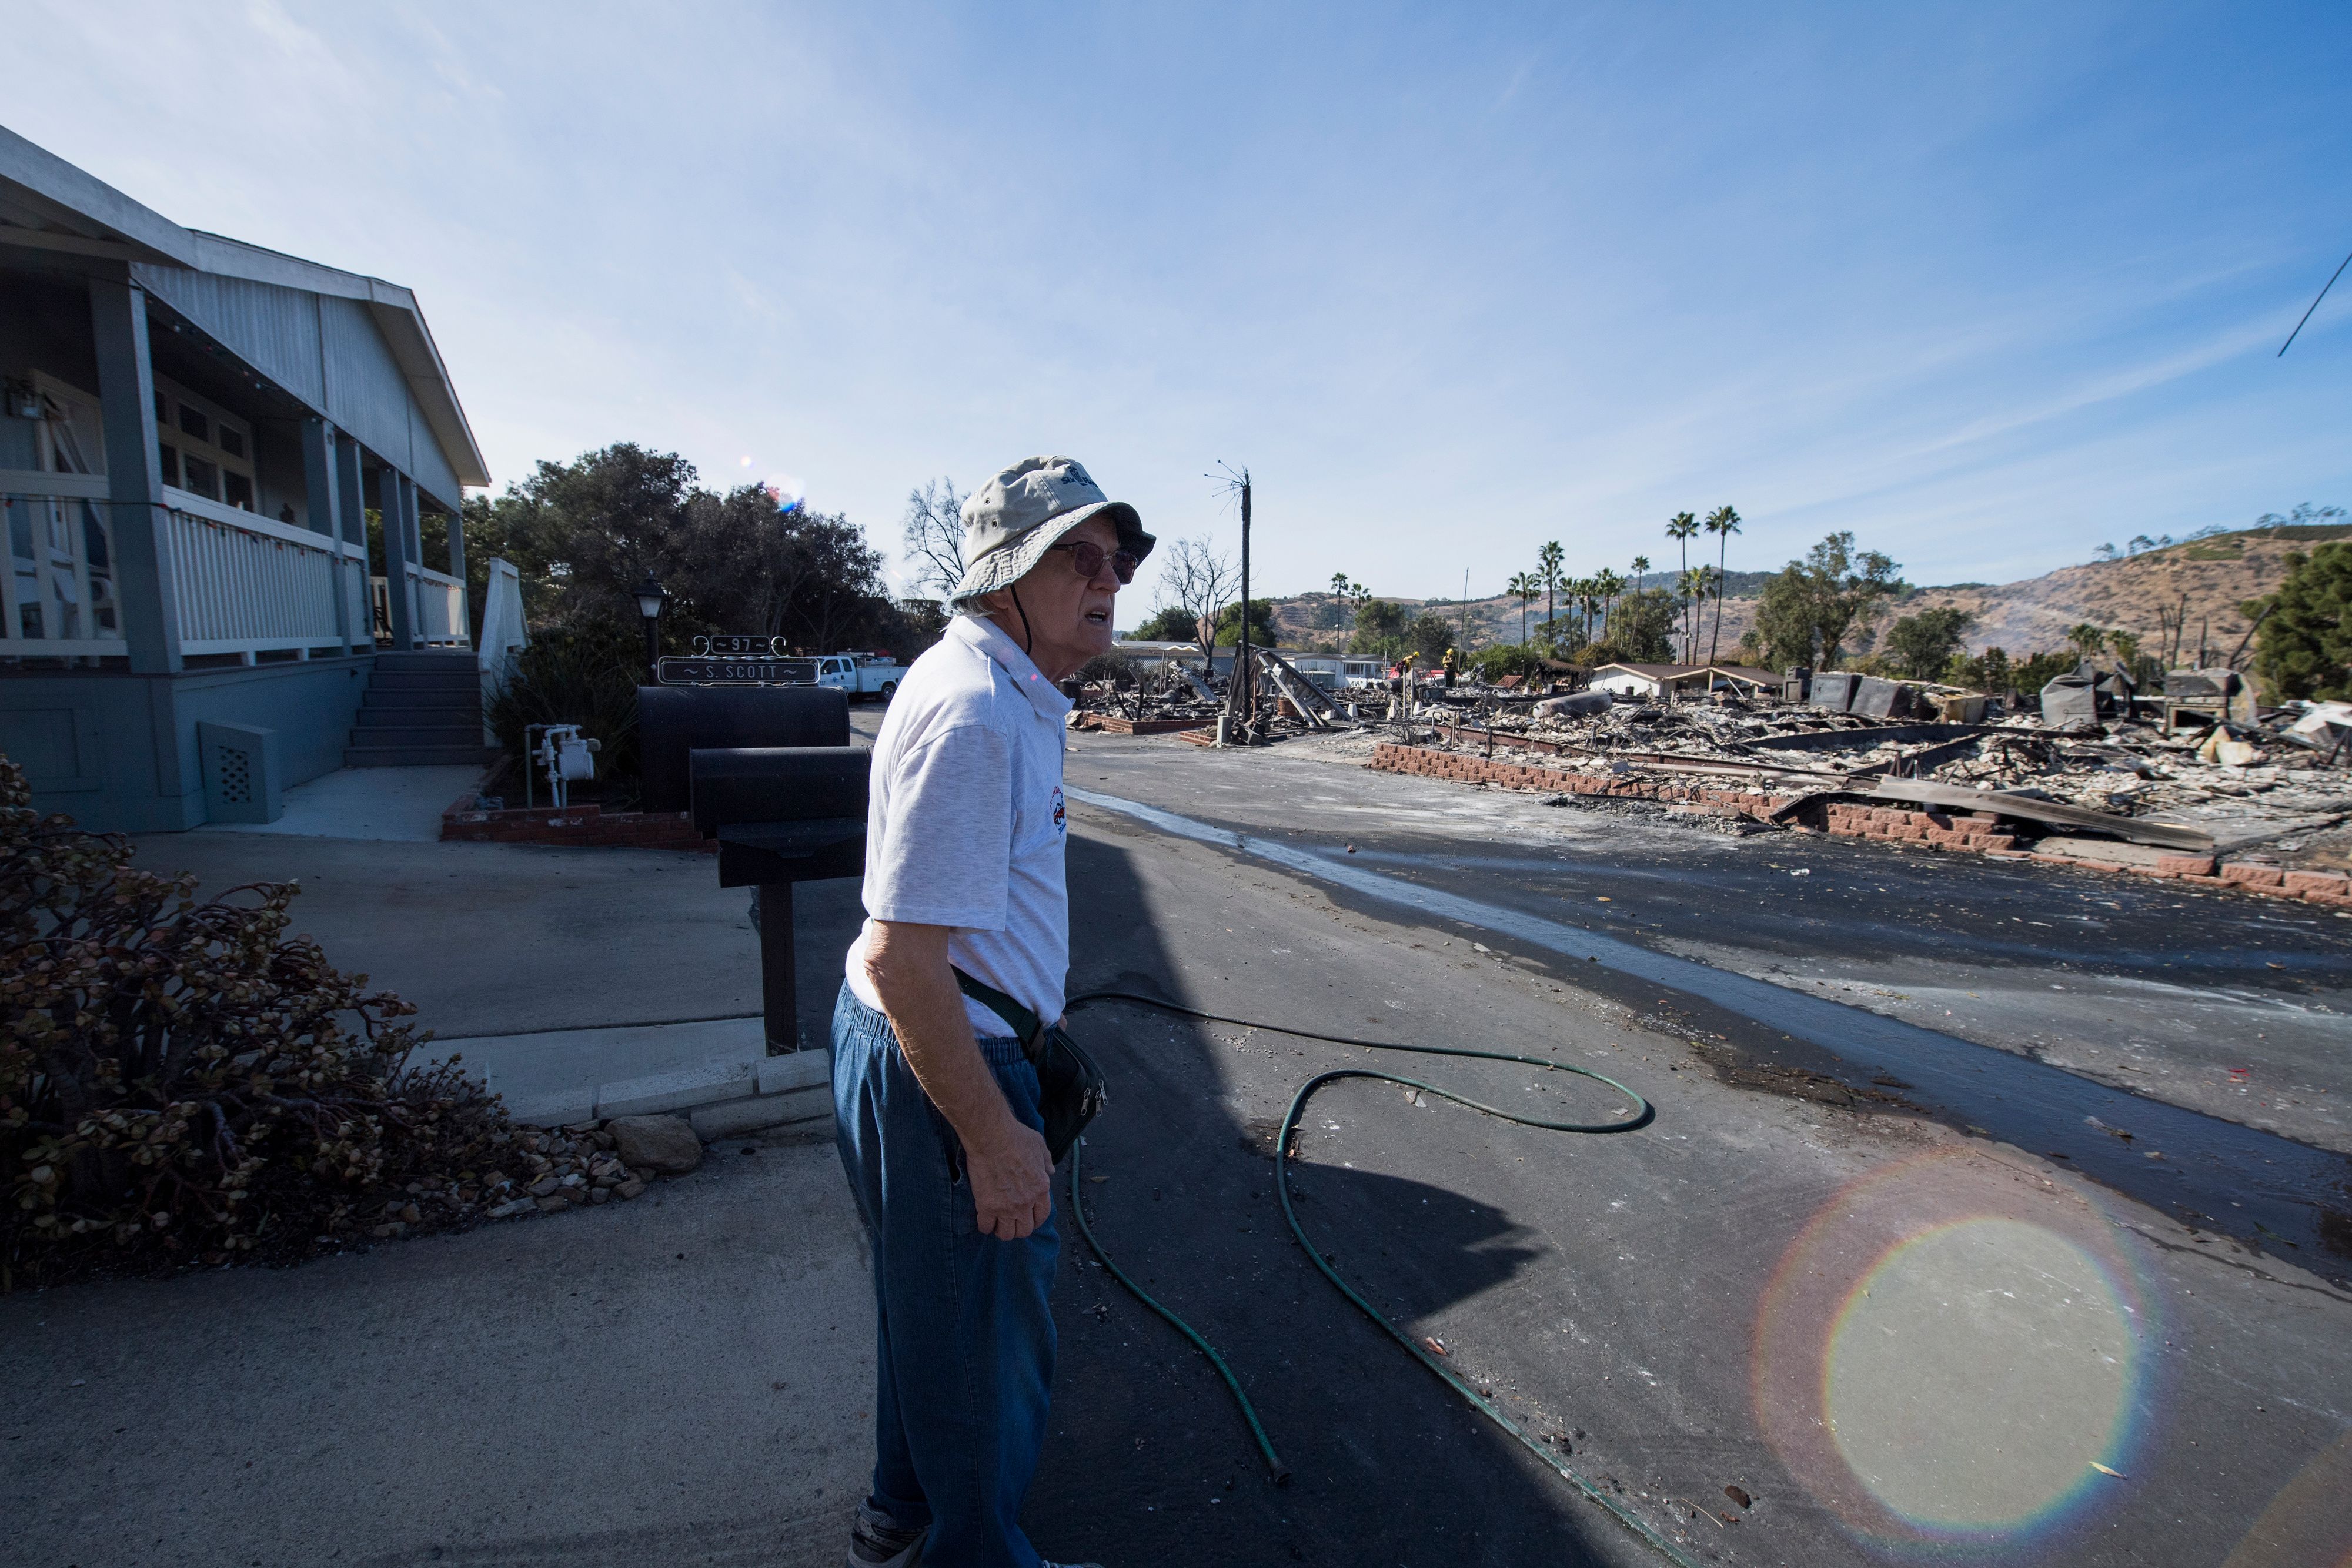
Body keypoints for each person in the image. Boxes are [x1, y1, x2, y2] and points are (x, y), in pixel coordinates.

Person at [831, 456, 1150, 1568]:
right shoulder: (977, 715)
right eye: (1081, 556)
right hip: (946, 1047)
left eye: (1119, 559)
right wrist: (995, 1135)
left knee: (930, 1314)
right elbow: (905, 961)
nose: (1109, 580)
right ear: (1009, 571)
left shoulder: (995, 689)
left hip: (922, 1037)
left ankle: (902, 1516)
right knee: (989, 1341)